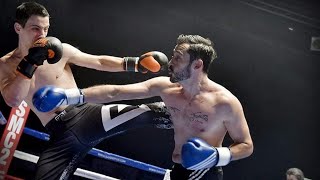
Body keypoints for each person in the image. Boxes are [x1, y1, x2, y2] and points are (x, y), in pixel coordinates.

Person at [34, 34, 254, 179]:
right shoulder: (166, 88)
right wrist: (69, 96)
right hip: (177, 171)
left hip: (204, 174)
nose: (171, 62)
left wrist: (216, 155)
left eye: (177, 58)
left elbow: (246, 145)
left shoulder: (225, 102)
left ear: (197, 65)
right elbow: (114, 92)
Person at [0, 2, 169, 179]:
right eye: (35, 28)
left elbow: (98, 62)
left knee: (149, 113)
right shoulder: (4, 65)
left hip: (87, 116)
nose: (42, 35)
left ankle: (191, 112)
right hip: (61, 136)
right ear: (18, 28)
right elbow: (14, 100)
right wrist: (30, 62)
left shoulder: (61, 49)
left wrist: (135, 64)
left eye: (46, 29)